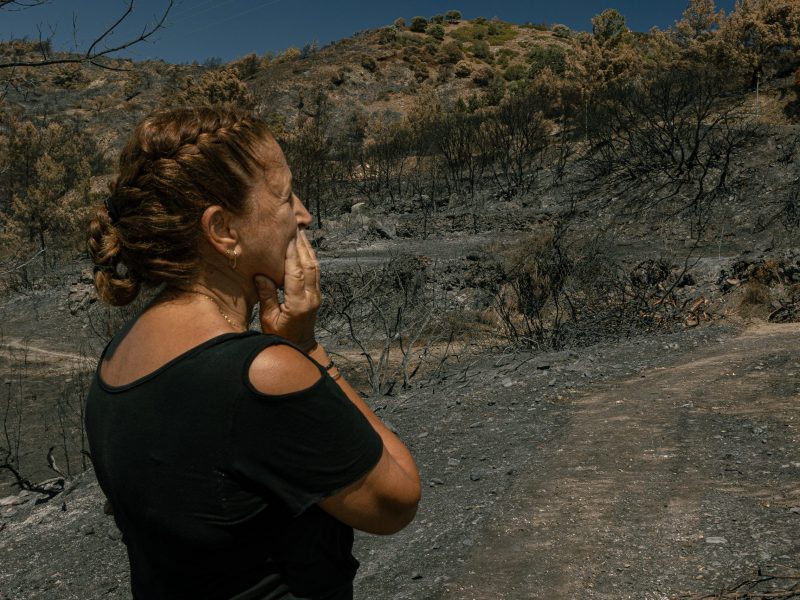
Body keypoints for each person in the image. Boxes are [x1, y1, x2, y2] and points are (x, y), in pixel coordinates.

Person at [84, 106, 421, 600]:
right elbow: (397, 501)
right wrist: (305, 347)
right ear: (223, 230)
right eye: (285, 196)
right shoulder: (261, 375)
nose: (303, 214)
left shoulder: (117, 359)